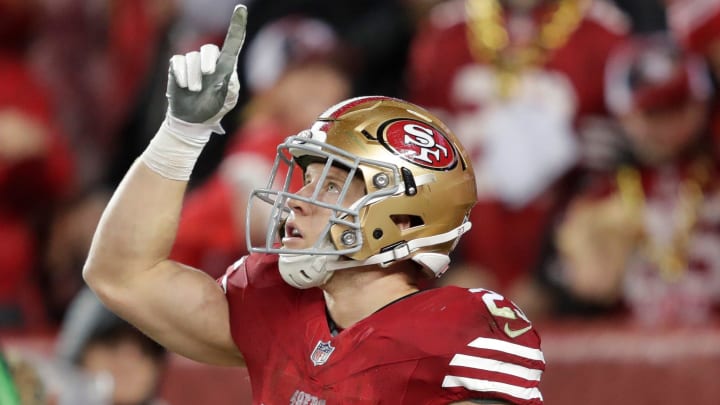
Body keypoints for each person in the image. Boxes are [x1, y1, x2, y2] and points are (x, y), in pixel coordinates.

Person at [83, 6, 545, 404]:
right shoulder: (278, 304)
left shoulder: (460, 334)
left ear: (404, 217)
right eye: (308, 180)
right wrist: (180, 136)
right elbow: (121, 273)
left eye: (332, 186)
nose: (299, 201)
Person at [554, 33, 720, 325]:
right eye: (653, 113)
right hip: (630, 349)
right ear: (623, 114)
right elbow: (589, 284)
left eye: (678, 107)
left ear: (703, 103)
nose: (668, 126)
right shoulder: (600, 190)